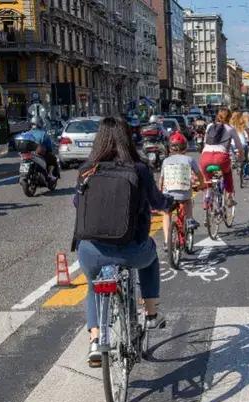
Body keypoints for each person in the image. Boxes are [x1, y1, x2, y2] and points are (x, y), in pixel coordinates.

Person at [75, 117, 173, 366]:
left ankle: (96, 341)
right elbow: (157, 202)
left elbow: (78, 204)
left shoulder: (87, 168)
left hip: (90, 250)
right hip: (131, 250)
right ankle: (151, 314)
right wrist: (169, 203)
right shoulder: (139, 169)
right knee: (151, 257)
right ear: (127, 138)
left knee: (93, 285)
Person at [160, 130, 204, 248]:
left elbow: (161, 180)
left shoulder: (165, 161)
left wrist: (160, 192)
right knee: (188, 200)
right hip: (184, 195)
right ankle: (189, 220)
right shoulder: (189, 160)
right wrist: (201, 184)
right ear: (185, 147)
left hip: (168, 196)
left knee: (166, 213)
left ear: (170, 148)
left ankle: (166, 241)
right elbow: (199, 175)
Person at [199, 107, 244, 207]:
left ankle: (208, 195)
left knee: (207, 178)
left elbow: (205, 141)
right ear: (229, 117)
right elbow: (239, 147)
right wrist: (241, 157)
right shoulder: (230, 129)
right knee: (227, 174)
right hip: (221, 158)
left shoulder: (210, 126)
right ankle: (229, 197)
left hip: (205, 157)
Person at [230, 111, 249, 179]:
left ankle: (233, 160)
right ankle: (246, 172)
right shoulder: (243, 125)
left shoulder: (230, 126)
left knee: (231, 150)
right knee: (246, 159)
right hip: (243, 144)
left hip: (233, 144)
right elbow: (248, 135)